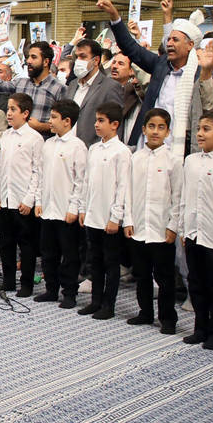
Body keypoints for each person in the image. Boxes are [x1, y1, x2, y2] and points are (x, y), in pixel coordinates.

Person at [97, 0, 205, 150]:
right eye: (168, 40)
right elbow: (130, 47)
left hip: (178, 149)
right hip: (145, 146)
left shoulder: (199, 76)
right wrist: (115, 16)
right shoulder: (160, 65)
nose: (169, 43)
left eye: (175, 40)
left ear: (190, 45)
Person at [125, 107, 183, 334]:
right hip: (139, 227)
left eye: (161, 127)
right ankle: (145, 312)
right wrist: (128, 220)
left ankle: (168, 318)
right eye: (151, 126)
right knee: (142, 274)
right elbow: (128, 193)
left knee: (164, 277)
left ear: (168, 132)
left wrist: (173, 226)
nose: (155, 131)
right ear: (143, 129)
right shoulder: (135, 158)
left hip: (161, 229)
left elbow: (178, 196)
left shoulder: (173, 161)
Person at [78, 102, 132, 320]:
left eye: (101, 121)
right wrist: (83, 208)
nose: (96, 124)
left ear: (115, 124)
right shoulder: (93, 149)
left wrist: (116, 217)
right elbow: (87, 182)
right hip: (93, 214)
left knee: (111, 263)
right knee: (96, 261)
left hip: (109, 218)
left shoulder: (122, 152)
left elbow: (123, 187)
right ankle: (96, 301)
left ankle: (109, 305)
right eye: (96, 120)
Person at [35, 99, 88, 309]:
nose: (50, 121)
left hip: (66, 210)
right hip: (48, 208)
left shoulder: (78, 147)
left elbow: (81, 181)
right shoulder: (48, 145)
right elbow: (40, 175)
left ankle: (69, 293)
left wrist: (74, 208)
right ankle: (51, 289)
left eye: (54, 117)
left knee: (70, 255)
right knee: (48, 253)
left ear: (67, 121)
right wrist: (38, 201)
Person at [0, 93, 43, 297]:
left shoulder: (34, 138)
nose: (8, 113)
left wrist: (29, 199)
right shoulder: (6, 136)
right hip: (6, 199)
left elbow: (38, 172)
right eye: (8, 109)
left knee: (26, 245)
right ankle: (8, 281)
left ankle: (26, 284)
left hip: (23, 200)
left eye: (13, 109)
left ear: (25, 113)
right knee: (6, 243)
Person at [179, 111, 213, 347]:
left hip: (212, 235)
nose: (200, 134)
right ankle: (200, 328)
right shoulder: (190, 161)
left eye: (206, 129)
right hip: (193, 233)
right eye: (199, 129)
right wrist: (183, 228)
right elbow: (185, 197)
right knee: (196, 283)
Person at [0, 39, 67, 137]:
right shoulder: (20, 83)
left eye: (34, 57)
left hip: (43, 143)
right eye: (28, 57)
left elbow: (64, 124)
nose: (28, 61)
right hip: (17, 141)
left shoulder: (59, 88)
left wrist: (41, 126)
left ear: (46, 62)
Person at [65, 37, 125, 147]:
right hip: (68, 149)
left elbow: (115, 126)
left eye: (83, 56)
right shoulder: (72, 85)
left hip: (94, 150)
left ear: (96, 60)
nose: (78, 61)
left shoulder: (110, 87)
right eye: (76, 57)